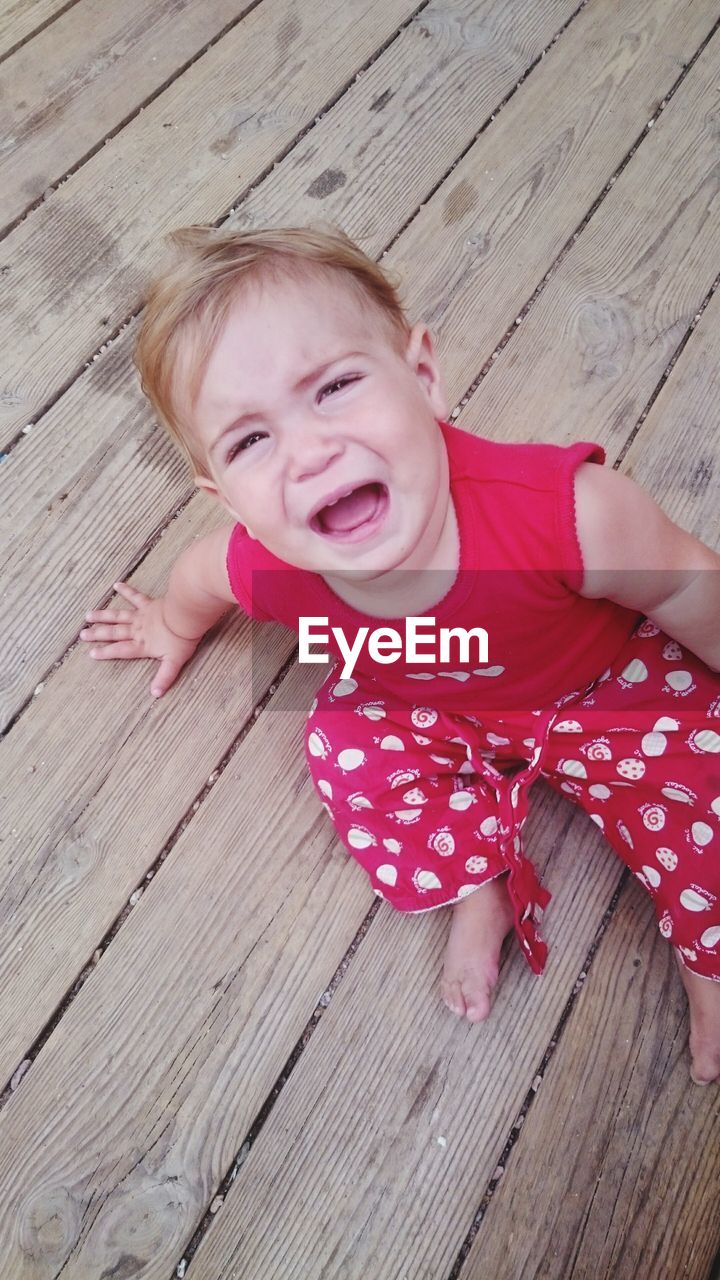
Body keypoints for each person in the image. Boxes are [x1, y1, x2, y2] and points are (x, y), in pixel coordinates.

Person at [79, 226, 720, 1084]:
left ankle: (708, 956)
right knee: (344, 750)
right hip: (423, 700)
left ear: (422, 377)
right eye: (249, 442)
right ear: (224, 495)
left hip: (604, 689)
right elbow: (203, 577)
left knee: (704, 795)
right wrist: (170, 624)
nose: (309, 452)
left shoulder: (565, 514)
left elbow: (685, 586)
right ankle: (479, 876)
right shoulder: (266, 561)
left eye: (335, 387)